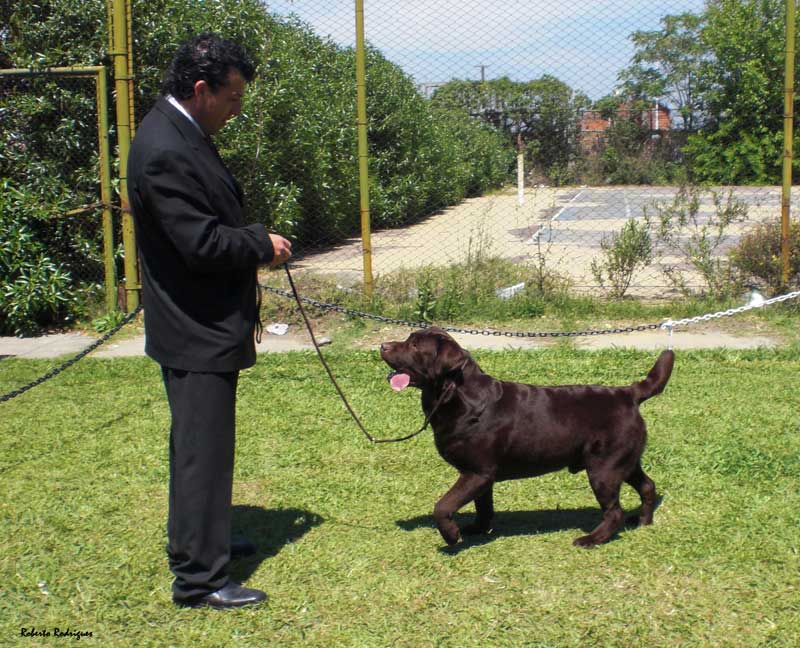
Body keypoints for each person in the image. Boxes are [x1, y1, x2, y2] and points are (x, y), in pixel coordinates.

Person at [128, 33, 292, 609]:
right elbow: (199, 243)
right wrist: (261, 245)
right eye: (233, 98)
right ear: (201, 90)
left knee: (201, 448)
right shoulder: (165, 149)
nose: (237, 109)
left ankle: (202, 541)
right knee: (203, 452)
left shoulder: (179, 132)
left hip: (199, 322)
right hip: (194, 327)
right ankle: (199, 581)